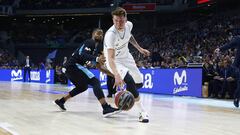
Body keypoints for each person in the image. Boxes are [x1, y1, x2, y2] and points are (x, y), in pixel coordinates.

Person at [54, 28, 119, 117]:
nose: (99, 35)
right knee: (95, 82)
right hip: (73, 65)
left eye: (101, 34)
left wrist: (115, 75)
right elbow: (82, 54)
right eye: (97, 33)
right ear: (93, 35)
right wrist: (96, 58)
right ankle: (105, 107)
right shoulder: (90, 42)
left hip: (70, 68)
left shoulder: (98, 48)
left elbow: (99, 67)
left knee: (82, 87)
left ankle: (61, 101)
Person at [103, 7, 150, 123]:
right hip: (114, 60)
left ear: (126, 19)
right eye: (116, 21)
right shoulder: (111, 35)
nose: (119, 23)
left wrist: (139, 48)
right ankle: (142, 112)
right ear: (113, 20)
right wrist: (117, 74)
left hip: (126, 57)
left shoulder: (129, 25)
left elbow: (130, 36)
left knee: (139, 83)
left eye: (121, 20)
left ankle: (122, 101)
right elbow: (111, 58)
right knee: (129, 80)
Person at [215, 35, 240, 107]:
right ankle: (236, 98)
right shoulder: (239, 39)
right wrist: (220, 49)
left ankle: (236, 97)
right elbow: (230, 44)